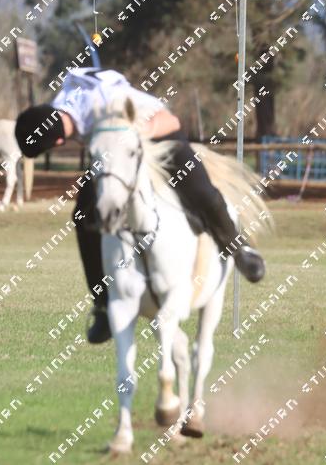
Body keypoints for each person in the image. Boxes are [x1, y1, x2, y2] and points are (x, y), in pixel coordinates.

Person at [15, 68, 265, 344]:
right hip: (115, 156)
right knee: (83, 216)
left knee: (202, 192)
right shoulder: (62, 108)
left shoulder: (108, 100)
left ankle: (239, 249)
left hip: (161, 139)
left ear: (58, 142)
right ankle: (103, 304)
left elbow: (170, 120)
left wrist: (137, 132)